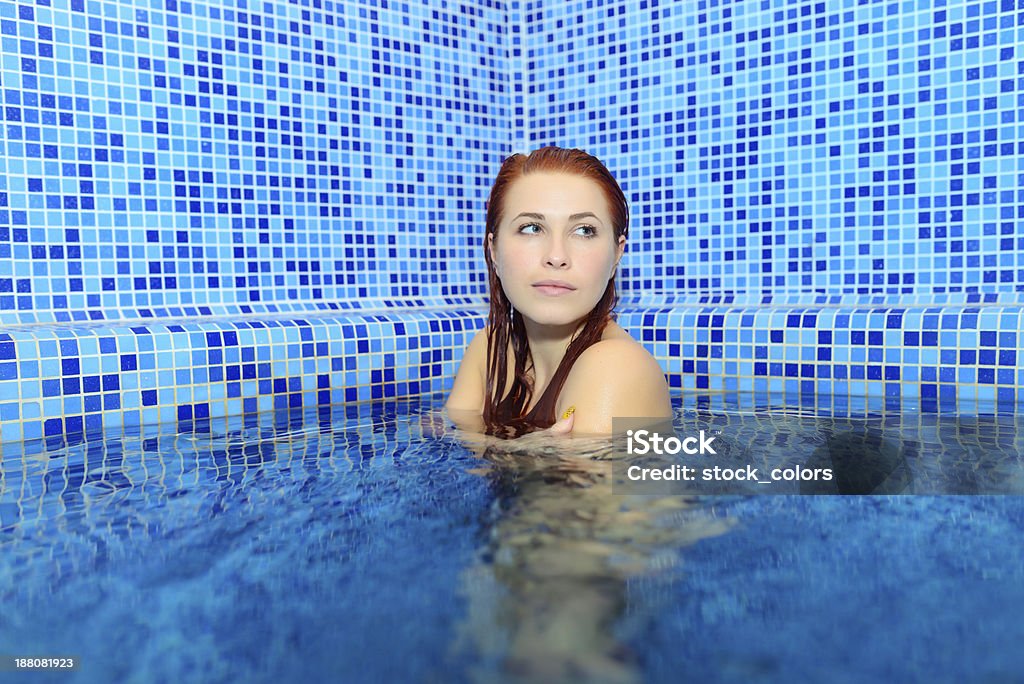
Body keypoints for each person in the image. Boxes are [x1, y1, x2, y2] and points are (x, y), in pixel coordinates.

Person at [446, 146, 672, 437]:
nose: (556, 256)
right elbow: (444, 434)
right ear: (494, 250)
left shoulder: (616, 368)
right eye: (531, 228)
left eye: (584, 231)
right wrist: (534, 450)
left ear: (617, 254)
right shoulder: (490, 349)